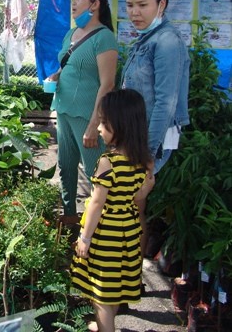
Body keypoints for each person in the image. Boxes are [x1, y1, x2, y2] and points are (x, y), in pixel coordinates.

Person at [71, 89, 155, 332]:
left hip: (106, 233)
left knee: (101, 294)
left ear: (122, 126)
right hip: (129, 231)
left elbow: (97, 203)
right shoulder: (145, 161)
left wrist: (85, 237)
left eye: (104, 123)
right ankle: (104, 325)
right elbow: (138, 197)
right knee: (116, 287)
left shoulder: (108, 162)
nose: (98, 128)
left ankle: (106, 327)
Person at [121, 0, 190, 255]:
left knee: (131, 206)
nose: (134, 12)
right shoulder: (147, 38)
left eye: (142, 5)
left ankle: (127, 279)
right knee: (129, 207)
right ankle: (125, 279)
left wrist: (146, 153)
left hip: (148, 141)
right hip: (133, 136)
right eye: (129, 5)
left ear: (161, 5)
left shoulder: (167, 43)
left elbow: (166, 103)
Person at [48, 0, 118, 226]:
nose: (73, 4)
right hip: (64, 110)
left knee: (94, 172)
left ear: (95, 4)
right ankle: (69, 216)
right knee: (65, 166)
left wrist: (93, 124)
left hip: (87, 116)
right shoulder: (71, 33)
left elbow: (107, 84)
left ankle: (101, 226)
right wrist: (56, 76)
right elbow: (66, 64)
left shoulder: (105, 38)